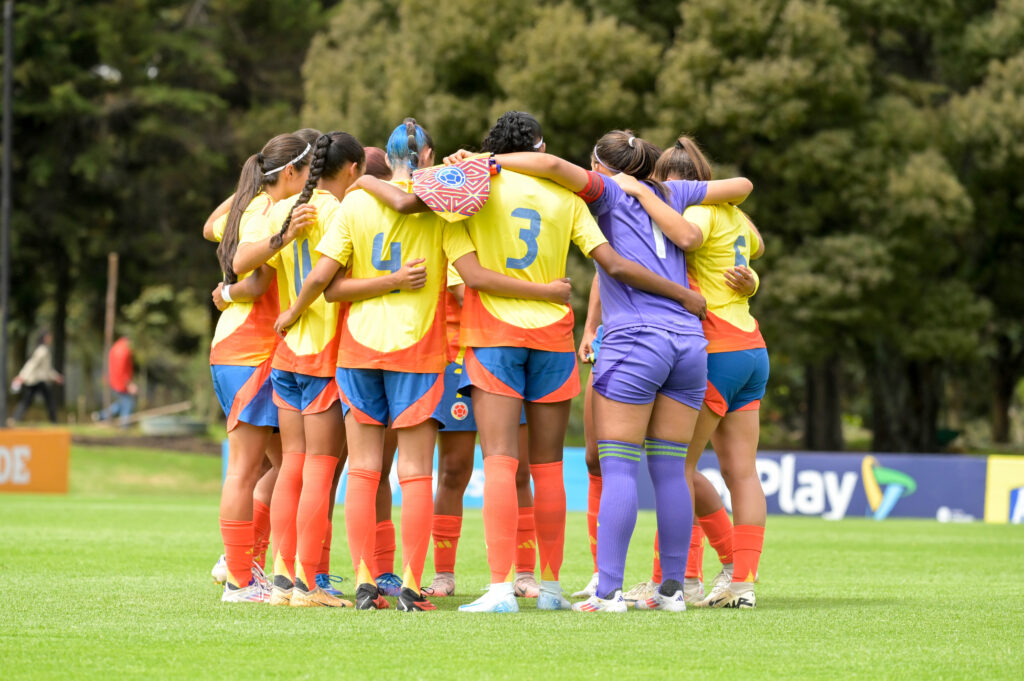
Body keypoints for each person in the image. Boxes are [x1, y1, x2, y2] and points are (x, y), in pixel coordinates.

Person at [277, 118, 569, 612]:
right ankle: (411, 585)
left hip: (357, 350)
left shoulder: (355, 203)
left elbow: (328, 286)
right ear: (430, 155)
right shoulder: (442, 210)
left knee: (364, 471)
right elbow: (471, 275)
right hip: (419, 352)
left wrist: (291, 313)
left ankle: (368, 582)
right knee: (415, 473)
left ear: (385, 158)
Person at [439, 114, 713, 614]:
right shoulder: (668, 196)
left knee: (561, 463)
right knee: (656, 469)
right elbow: (737, 188)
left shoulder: (588, 192)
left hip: (567, 337)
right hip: (675, 341)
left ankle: (579, 590)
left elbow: (609, 260)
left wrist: (471, 163)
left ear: (596, 165)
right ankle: (626, 589)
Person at [234, 131, 366, 608]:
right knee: (319, 469)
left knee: (291, 465)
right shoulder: (336, 211)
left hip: (287, 353)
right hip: (324, 352)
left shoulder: (280, 211)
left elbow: (242, 260)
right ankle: (308, 583)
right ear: (347, 169)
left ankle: (284, 578)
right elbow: (332, 282)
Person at [652, 136, 767, 609]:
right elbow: (752, 252)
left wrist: (644, 200)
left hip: (716, 349)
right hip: (752, 349)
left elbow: (689, 238)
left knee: (676, 465)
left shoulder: (697, 209)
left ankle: (678, 580)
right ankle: (743, 584)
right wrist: (752, 280)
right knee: (742, 473)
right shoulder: (737, 214)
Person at [205, 132, 315, 603]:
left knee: (284, 461)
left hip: (239, 347)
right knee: (247, 469)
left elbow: (212, 225)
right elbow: (251, 276)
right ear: (291, 173)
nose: (314, 182)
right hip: (249, 351)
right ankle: (238, 579)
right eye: (309, 172)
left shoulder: (249, 207)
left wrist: (255, 181)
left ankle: (241, 559)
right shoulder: (271, 213)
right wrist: (282, 234)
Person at [11, 331, 62, 424]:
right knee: (47, 400)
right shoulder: (42, 351)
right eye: (49, 337)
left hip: (37, 380)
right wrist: (21, 376)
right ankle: (54, 421)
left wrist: (56, 376)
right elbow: (32, 364)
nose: (51, 339)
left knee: (29, 400)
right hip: (36, 380)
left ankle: (15, 419)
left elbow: (46, 369)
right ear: (45, 338)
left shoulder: (42, 350)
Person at [93, 337, 137, 425]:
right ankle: (125, 425)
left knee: (122, 403)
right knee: (128, 403)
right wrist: (128, 383)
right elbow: (121, 370)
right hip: (120, 383)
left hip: (115, 381)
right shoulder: (123, 351)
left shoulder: (116, 348)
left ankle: (101, 415)